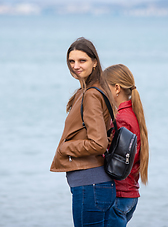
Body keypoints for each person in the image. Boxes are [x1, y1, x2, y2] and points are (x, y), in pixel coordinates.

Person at [50, 37, 117, 227]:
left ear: (95, 62)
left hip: (91, 184)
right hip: (95, 184)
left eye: (82, 61)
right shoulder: (91, 90)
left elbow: (98, 143)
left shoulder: (91, 95)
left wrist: (66, 148)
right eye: (71, 61)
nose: (75, 66)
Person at [103, 64, 149, 227]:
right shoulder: (134, 115)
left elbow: (120, 162)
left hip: (118, 194)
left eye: (104, 87)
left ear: (116, 88)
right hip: (130, 193)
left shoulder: (121, 119)